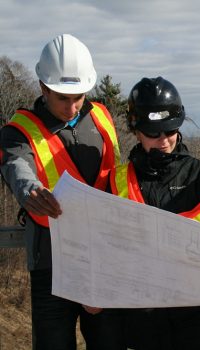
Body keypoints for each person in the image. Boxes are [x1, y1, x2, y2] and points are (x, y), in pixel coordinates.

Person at [0, 34, 121, 349]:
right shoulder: (19, 132)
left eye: (78, 96)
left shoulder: (102, 118)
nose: (72, 106)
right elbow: (17, 167)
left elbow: (120, 175)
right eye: (62, 98)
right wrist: (31, 193)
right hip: (52, 265)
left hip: (103, 258)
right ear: (42, 88)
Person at [103, 76, 200, 349]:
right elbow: (104, 247)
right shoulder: (117, 181)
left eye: (170, 131)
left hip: (196, 315)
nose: (164, 140)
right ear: (136, 130)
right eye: (154, 133)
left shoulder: (199, 176)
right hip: (143, 318)